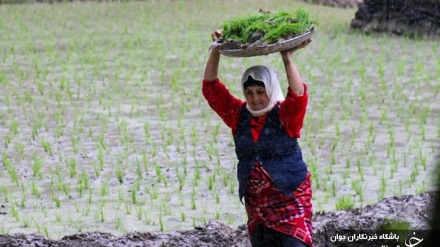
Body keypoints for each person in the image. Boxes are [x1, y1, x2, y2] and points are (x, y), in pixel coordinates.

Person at [202, 30, 314, 247]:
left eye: (261, 92)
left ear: (270, 90)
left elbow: (298, 95)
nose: (255, 99)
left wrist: (286, 57)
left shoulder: (285, 115)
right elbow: (211, 88)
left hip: (290, 200)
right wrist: (216, 50)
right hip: (257, 208)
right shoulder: (238, 115)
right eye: (250, 92)